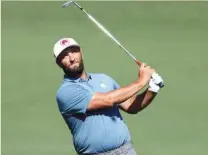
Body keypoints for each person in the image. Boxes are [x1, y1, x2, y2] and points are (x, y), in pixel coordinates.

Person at [53, 38, 164, 155]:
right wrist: (142, 80)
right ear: (59, 63)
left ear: (81, 52)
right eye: (65, 56)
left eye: (74, 51)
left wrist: (152, 88)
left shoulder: (103, 78)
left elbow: (131, 106)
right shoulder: (66, 92)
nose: (71, 58)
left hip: (126, 150)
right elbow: (108, 100)